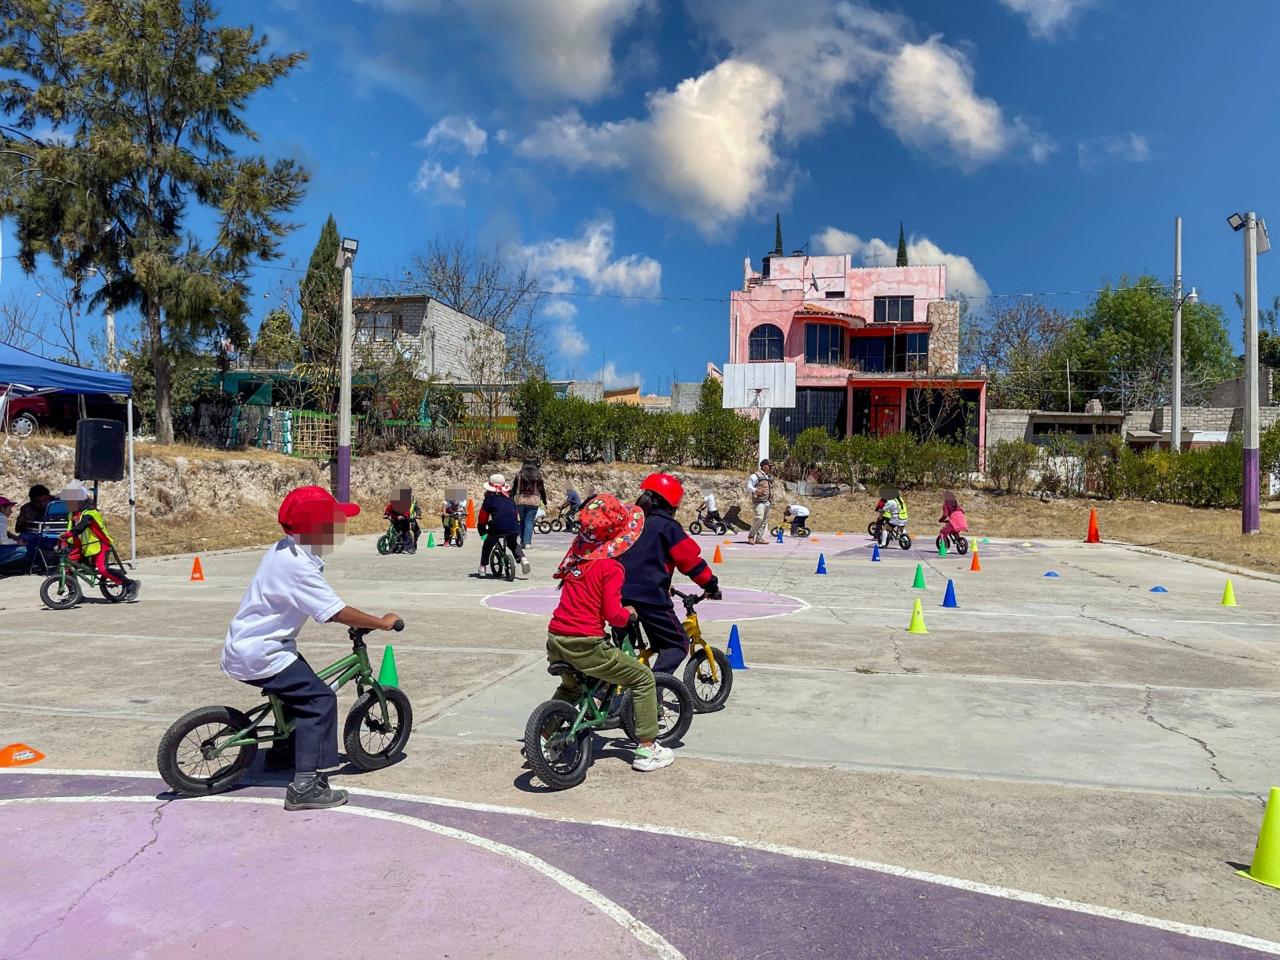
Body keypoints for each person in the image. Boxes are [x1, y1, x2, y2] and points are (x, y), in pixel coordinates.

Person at [222, 485, 402, 811]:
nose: (336, 532)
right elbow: (333, 611)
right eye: (332, 525)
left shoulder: (285, 551)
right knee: (319, 700)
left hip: (250, 646)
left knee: (299, 687)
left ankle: (282, 752)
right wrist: (380, 622)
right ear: (315, 528)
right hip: (263, 652)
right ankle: (306, 785)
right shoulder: (298, 568)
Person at [545, 493, 673, 772]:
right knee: (642, 679)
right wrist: (629, 613)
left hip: (555, 638)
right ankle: (647, 749)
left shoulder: (576, 560)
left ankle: (545, 734)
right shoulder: (611, 567)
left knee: (571, 687)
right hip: (585, 644)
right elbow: (614, 615)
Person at [618, 473, 721, 675]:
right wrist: (711, 585)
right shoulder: (668, 527)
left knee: (625, 650)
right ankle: (651, 694)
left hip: (617, 593)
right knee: (677, 644)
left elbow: (639, 560)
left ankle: (604, 693)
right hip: (650, 598)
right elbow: (691, 563)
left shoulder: (634, 524)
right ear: (673, 505)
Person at [59, 483, 137, 596]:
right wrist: (64, 542)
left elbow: (81, 527)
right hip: (82, 546)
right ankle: (73, 593)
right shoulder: (72, 514)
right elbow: (71, 530)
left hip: (99, 544)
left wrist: (67, 535)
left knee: (102, 570)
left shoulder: (90, 512)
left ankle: (129, 584)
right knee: (66, 567)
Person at [478, 473, 530, 576]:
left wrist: (482, 529)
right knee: (512, 543)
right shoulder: (510, 497)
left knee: (488, 544)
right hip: (514, 526)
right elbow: (515, 513)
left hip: (497, 527)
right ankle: (523, 559)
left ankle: (483, 567)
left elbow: (483, 516)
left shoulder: (490, 498)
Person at [512, 461, 548, 548]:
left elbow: (514, 488)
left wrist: (511, 499)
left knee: (522, 521)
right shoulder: (538, 475)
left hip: (520, 500)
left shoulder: (519, 475)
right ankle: (527, 543)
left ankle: (522, 542)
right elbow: (542, 489)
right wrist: (544, 501)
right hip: (533, 500)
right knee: (529, 521)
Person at [745, 459, 775, 545]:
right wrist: (755, 490)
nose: (771, 468)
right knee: (759, 518)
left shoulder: (768, 476)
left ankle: (759, 538)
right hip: (759, 501)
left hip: (768, 501)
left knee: (764, 521)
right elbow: (748, 486)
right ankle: (751, 536)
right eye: (770, 466)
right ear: (764, 466)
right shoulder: (755, 476)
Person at [383, 486, 421, 553]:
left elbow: (409, 510)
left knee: (409, 533)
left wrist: (417, 515)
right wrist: (386, 514)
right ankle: (392, 547)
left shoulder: (411, 501)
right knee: (391, 531)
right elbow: (389, 508)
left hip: (407, 519)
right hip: (396, 519)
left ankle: (410, 547)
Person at [0, 496, 29, 571]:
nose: (11, 511)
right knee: (22, 550)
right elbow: (3, 541)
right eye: (9, 508)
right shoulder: (2, 517)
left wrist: (14, 537)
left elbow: (3, 532)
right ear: (2, 508)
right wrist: (17, 543)